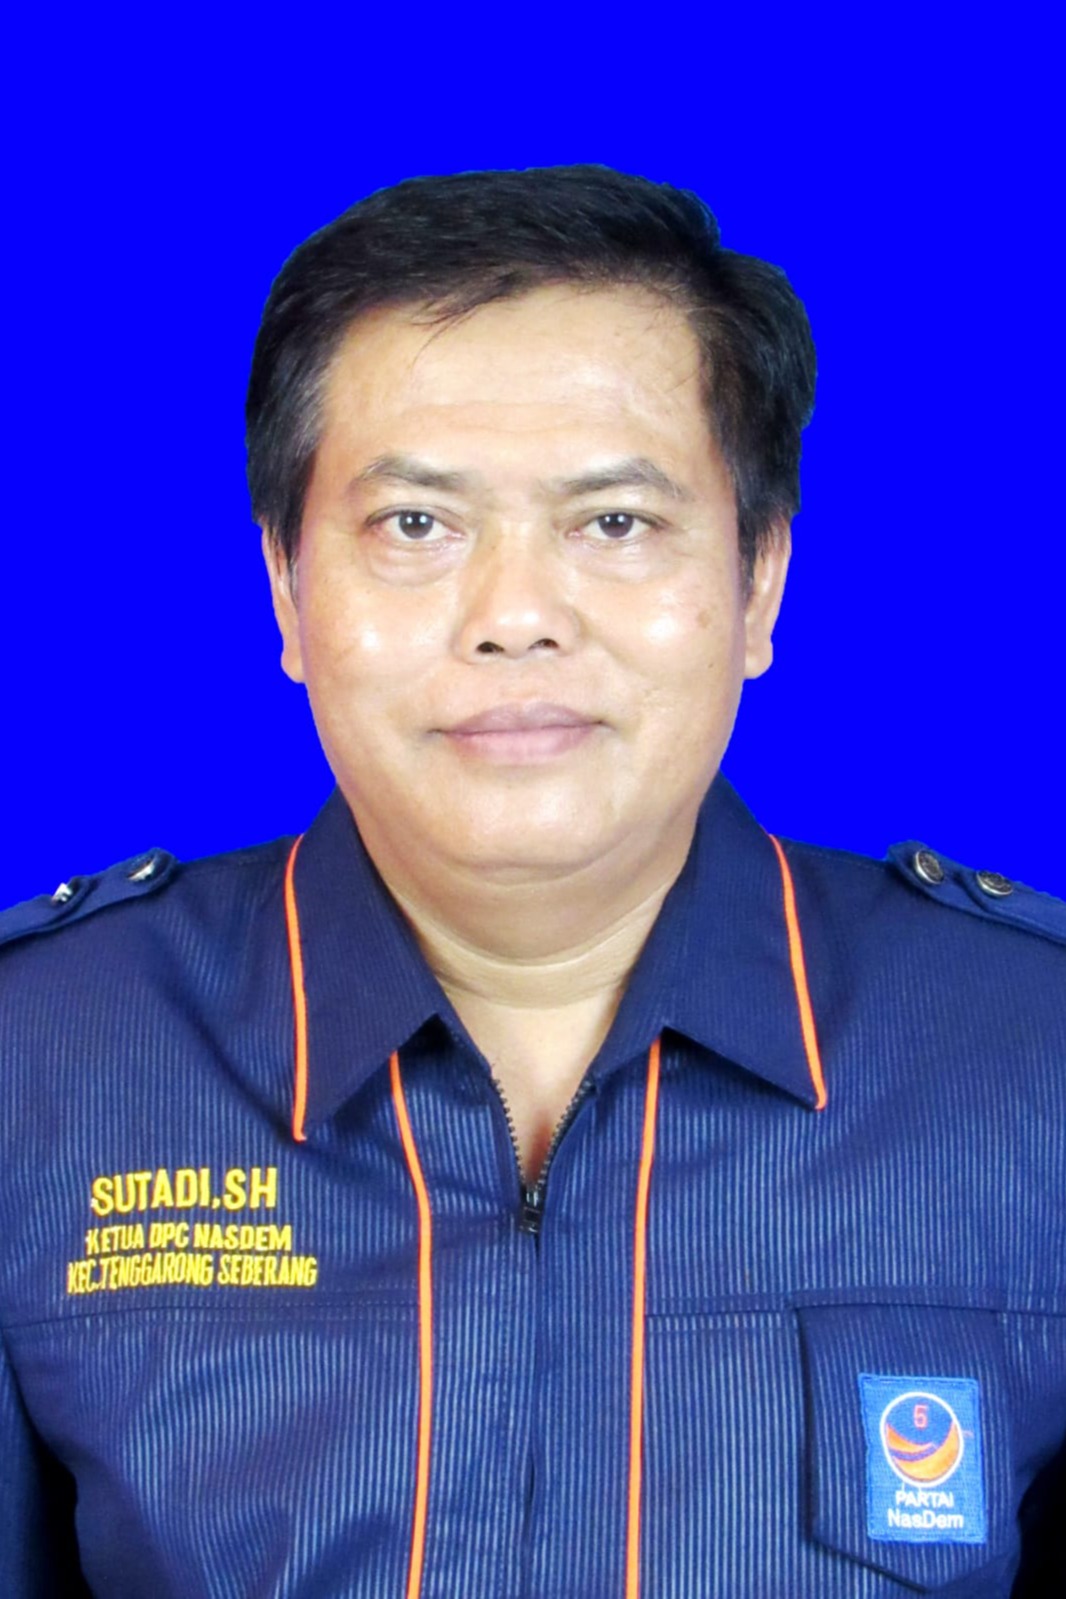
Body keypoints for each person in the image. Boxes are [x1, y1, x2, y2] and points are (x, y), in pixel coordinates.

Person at [0, 165, 1062, 1598]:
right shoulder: (39, 1063)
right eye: (415, 525)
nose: (514, 617)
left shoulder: (1031, 1059)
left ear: (757, 582)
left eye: (613, 522)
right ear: (287, 589)